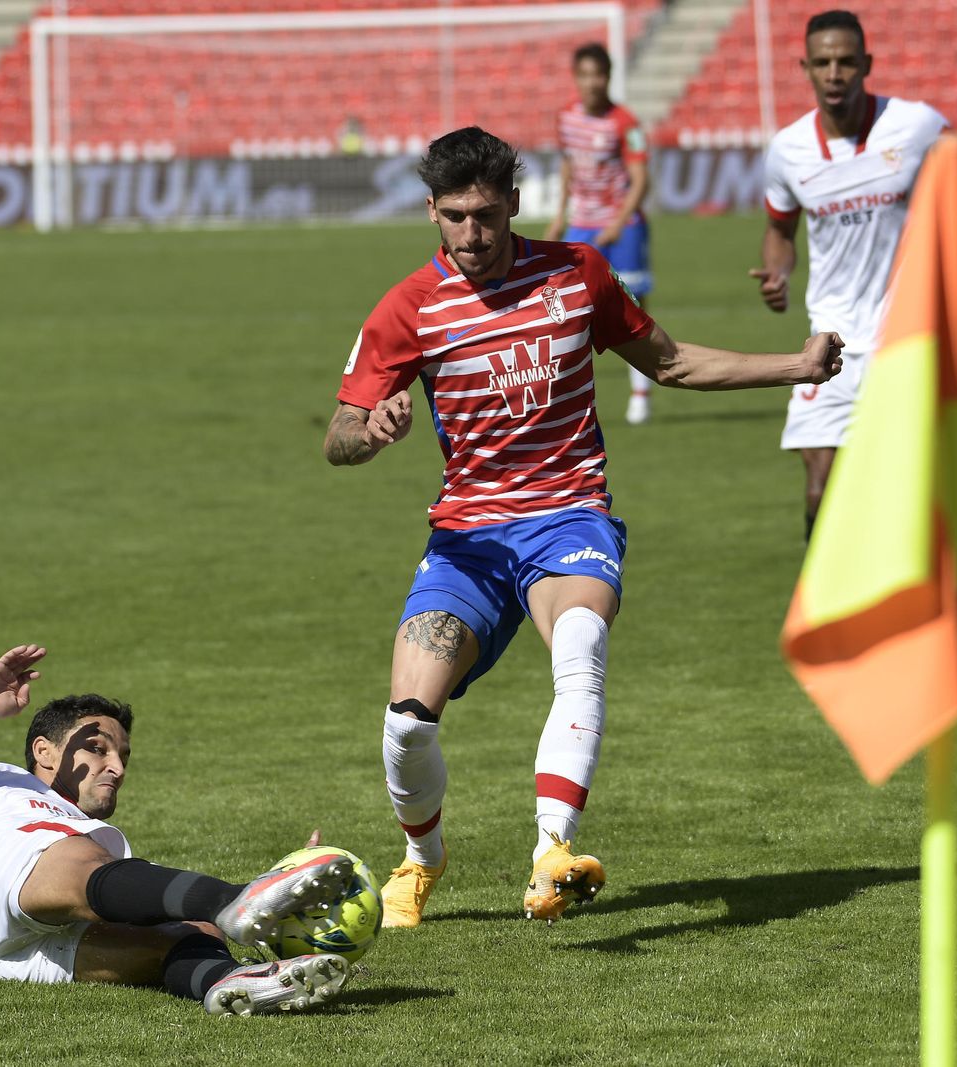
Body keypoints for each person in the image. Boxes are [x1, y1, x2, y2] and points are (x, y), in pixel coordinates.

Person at [323, 127, 844, 927]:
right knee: (405, 727)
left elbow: (668, 363)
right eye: (455, 216)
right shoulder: (408, 307)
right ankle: (422, 859)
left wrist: (796, 366)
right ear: (430, 210)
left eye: (487, 215)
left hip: (568, 514)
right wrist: (373, 431)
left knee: (581, 647)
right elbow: (339, 437)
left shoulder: (577, 274)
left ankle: (552, 853)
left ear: (515, 205)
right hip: (467, 539)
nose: (472, 234)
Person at [0, 644, 356, 1016]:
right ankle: (239, 900)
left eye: (123, 755)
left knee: (191, 931)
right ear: (44, 752)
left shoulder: (92, 837)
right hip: (9, 889)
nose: (116, 766)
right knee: (87, 861)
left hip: (28, 954)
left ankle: (235, 983)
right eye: (97, 748)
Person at [751, 9, 957, 618]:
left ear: (867, 66)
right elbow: (779, 231)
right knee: (820, 487)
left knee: (920, 490)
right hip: (829, 340)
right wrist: (776, 269)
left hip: (906, 335)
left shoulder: (915, 127)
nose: (835, 73)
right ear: (804, 69)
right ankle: (833, 624)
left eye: (846, 61)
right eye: (823, 62)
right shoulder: (788, 151)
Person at [544, 42, 657, 425]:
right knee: (569, 308)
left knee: (634, 309)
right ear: (576, 78)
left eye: (598, 74)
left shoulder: (625, 123)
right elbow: (567, 167)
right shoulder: (565, 118)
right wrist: (559, 217)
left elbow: (641, 180)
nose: (591, 83)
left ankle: (641, 394)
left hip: (623, 227)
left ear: (608, 77)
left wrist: (617, 221)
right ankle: (565, 396)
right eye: (584, 75)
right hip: (581, 224)